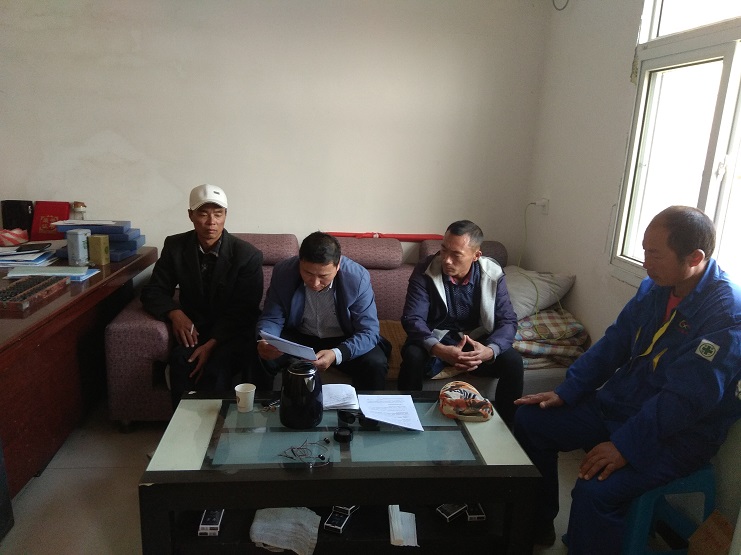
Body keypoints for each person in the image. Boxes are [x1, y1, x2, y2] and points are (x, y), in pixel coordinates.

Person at [513, 206, 741, 554]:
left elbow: (685, 400)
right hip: (623, 404)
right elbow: (615, 342)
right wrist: (568, 390)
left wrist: (626, 446)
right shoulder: (656, 287)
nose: (645, 263)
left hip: (678, 434)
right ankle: (538, 523)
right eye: (644, 250)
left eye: (655, 254)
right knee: (531, 420)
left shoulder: (726, 314)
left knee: (595, 490)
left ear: (695, 257)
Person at [141, 184, 264, 409]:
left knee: (217, 365)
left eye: (218, 214)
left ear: (226, 215)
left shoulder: (247, 255)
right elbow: (154, 290)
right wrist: (174, 313)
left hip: (232, 332)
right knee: (182, 361)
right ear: (191, 215)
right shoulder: (175, 246)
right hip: (194, 330)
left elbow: (245, 308)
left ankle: (218, 426)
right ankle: (182, 425)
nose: (211, 222)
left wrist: (211, 344)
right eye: (203, 214)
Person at [397, 220, 524, 426]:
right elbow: (413, 318)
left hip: (476, 339)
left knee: (513, 362)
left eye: (456, 255)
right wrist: (438, 349)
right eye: (443, 250)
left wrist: (489, 351)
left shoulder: (492, 273)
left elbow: (507, 320)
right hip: (436, 337)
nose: (446, 260)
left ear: (476, 255)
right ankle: (406, 420)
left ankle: (507, 428)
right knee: (412, 356)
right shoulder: (426, 269)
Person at [257, 231, 389, 390]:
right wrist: (266, 340)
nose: (315, 283)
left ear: (338, 266)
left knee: (375, 363)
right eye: (308, 273)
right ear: (300, 262)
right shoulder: (283, 272)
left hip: (343, 338)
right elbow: (272, 317)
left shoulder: (357, 278)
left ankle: (365, 407)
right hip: (299, 337)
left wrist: (336, 353)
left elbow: (369, 330)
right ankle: (260, 404)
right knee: (258, 354)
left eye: (323, 276)